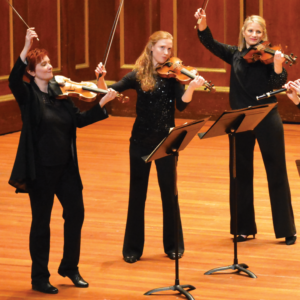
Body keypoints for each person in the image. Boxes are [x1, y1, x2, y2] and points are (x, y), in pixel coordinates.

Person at [8, 28, 117, 294]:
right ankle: (39, 277)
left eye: (49, 62)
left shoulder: (60, 94)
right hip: (41, 170)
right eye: (43, 64)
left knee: (75, 214)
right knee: (41, 222)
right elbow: (13, 79)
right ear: (32, 72)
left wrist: (102, 102)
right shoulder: (28, 96)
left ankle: (69, 267)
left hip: (67, 167)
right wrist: (25, 46)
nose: (49, 66)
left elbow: (79, 121)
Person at [96, 31, 206, 263]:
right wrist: (101, 78)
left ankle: (174, 245)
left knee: (170, 192)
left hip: (167, 140)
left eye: (169, 49)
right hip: (141, 141)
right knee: (137, 194)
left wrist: (192, 87)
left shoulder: (174, 75)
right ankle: (133, 249)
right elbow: (109, 91)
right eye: (162, 48)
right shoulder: (137, 75)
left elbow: (182, 107)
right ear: (151, 48)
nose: (167, 53)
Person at [194, 9, 297, 245]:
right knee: (239, 173)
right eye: (250, 30)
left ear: (263, 35)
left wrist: (279, 65)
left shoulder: (270, 57)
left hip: (267, 116)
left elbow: (279, 84)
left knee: (277, 172)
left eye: (258, 32)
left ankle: (287, 229)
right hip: (240, 118)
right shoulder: (234, 54)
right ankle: (243, 228)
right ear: (243, 32)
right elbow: (208, 41)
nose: (253, 34)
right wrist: (203, 23)